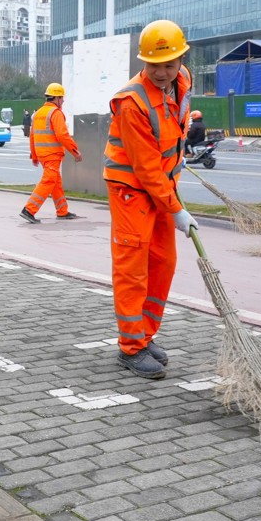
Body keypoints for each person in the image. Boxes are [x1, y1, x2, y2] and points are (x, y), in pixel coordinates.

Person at [104, 19, 197, 380]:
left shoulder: (183, 81)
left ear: (180, 60)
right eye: (153, 65)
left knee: (163, 262)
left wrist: (177, 162)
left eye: (168, 64)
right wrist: (176, 210)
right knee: (133, 269)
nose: (161, 72)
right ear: (143, 62)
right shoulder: (131, 102)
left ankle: (145, 334)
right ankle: (131, 347)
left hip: (163, 185)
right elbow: (144, 167)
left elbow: (176, 126)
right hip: (131, 191)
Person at [19, 83, 83, 223]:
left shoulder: (38, 114)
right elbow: (62, 135)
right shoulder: (55, 113)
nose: (63, 101)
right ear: (57, 98)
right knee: (48, 181)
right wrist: (75, 151)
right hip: (52, 154)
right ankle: (29, 210)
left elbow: (32, 135)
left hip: (42, 154)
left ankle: (62, 211)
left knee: (55, 182)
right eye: (62, 98)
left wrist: (34, 156)